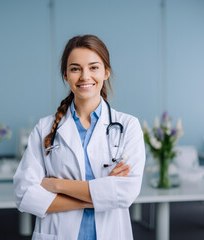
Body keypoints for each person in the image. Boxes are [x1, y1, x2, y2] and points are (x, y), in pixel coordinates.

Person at [13, 34, 145, 240]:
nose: (85, 76)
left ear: (106, 72)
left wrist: (58, 186)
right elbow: (24, 195)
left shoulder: (128, 126)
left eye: (93, 67)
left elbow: (125, 193)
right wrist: (101, 195)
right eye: (75, 68)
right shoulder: (45, 128)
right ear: (65, 75)